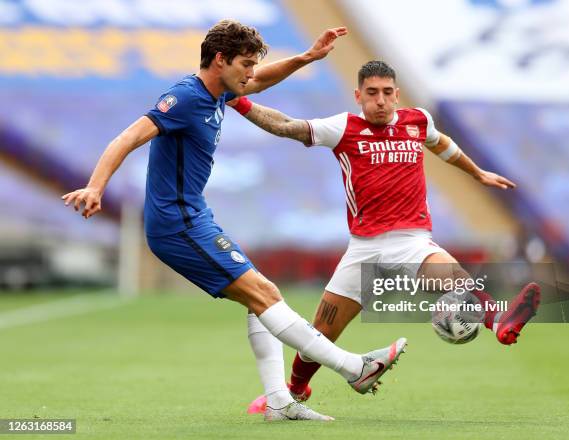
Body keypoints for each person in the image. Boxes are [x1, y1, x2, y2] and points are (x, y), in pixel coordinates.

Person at [62, 24, 407, 422]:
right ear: (220, 60)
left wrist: (307, 58)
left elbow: (260, 81)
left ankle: (279, 401)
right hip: (177, 225)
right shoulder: (186, 97)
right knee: (264, 295)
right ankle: (354, 368)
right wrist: (94, 186)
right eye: (244, 64)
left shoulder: (220, 88)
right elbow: (126, 137)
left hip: (194, 217)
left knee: (260, 297)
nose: (250, 73)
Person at [227, 60, 542, 412]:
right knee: (321, 331)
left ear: (397, 95)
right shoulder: (343, 127)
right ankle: (296, 390)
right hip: (364, 248)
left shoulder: (417, 121)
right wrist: (238, 101)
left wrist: (476, 172)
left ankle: (499, 322)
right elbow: (287, 126)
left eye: (387, 93)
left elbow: (442, 143)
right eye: (372, 93)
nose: (380, 100)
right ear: (358, 95)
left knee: (456, 280)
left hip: (411, 240)